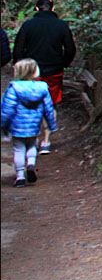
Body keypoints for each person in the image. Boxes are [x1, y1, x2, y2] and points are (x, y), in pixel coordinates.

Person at [12, 0, 75, 153]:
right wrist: (63, 63)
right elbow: (70, 49)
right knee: (51, 104)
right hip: (54, 71)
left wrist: (20, 66)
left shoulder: (28, 26)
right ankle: (46, 142)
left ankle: (32, 139)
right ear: (52, 9)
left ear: (36, 9)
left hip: (32, 72)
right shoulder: (62, 26)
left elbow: (18, 49)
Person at [1, 58, 58, 186]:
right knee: (32, 146)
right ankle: (31, 164)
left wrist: (3, 125)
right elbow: (49, 108)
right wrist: (51, 124)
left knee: (19, 149)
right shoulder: (42, 88)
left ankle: (20, 176)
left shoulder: (14, 88)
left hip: (17, 126)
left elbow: (7, 109)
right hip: (34, 125)